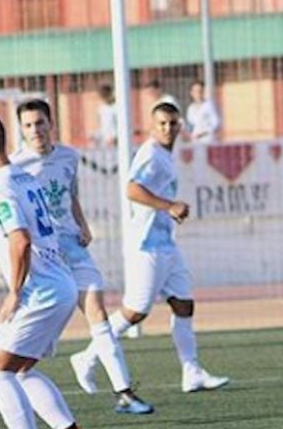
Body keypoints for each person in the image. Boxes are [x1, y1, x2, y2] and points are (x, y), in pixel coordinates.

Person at [0, 113, 95, 429]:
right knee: (20, 370)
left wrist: (14, 292)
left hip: (39, 291)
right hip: (61, 284)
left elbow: (19, 239)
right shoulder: (26, 177)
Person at [9, 99, 153, 415]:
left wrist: (83, 224)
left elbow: (71, 195)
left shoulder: (69, 157)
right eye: (29, 125)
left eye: (40, 123)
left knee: (98, 314)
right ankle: (15, 379)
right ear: (21, 129)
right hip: (44, 256)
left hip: (73, 247)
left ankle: (124, 393)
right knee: (38, 337)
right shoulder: (14, 168)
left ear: (51, 124)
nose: (35, 130)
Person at [96, 98, 229, 393]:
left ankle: (191, 372)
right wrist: (168, 206)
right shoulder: (151, 154)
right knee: (136, 312)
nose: (168, 128)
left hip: (166, 243)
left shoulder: (166, 155)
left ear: (180, 125)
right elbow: (132, 189)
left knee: (183, 304)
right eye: (162, 124)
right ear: (151, 127)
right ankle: (89, 356)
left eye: (172, 124)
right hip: (146, 245)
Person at [94, 82, 118, 148]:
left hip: (116, 143)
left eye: (105, 95)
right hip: (105, 143)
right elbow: (101, 127)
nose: (103, 98)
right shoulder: (101, 109)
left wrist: (115, 138)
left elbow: (123, 126)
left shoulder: (117, 107)